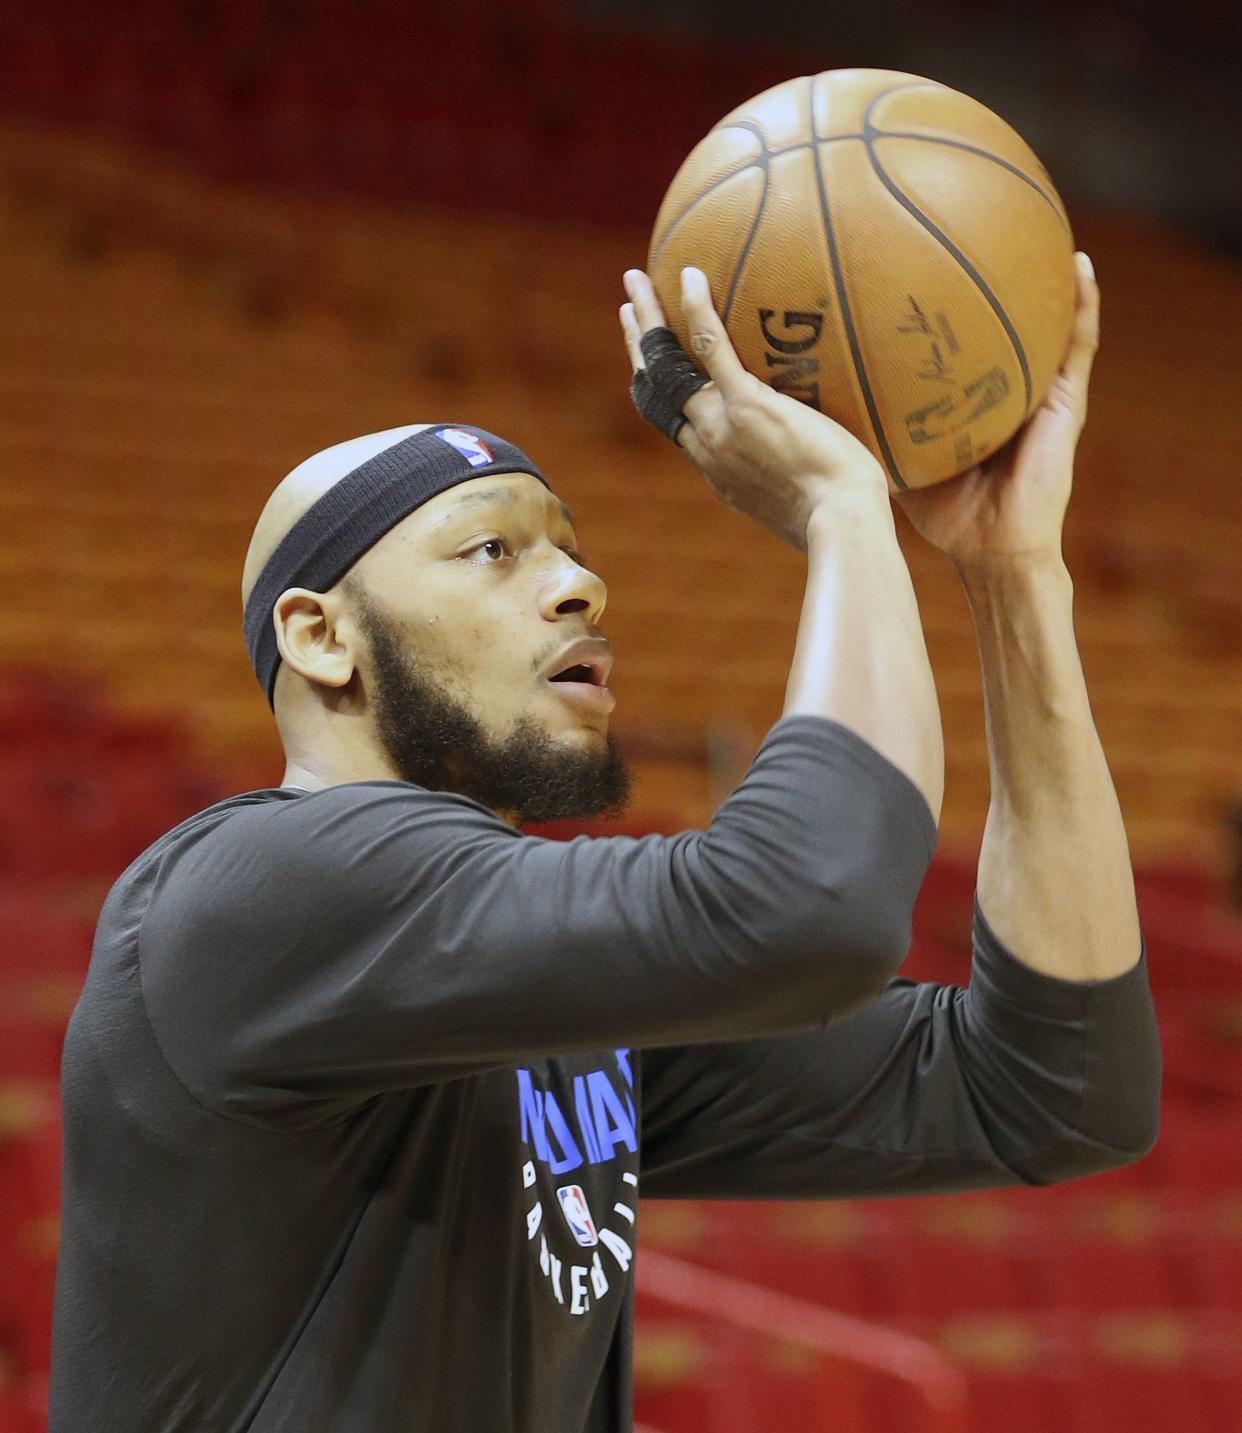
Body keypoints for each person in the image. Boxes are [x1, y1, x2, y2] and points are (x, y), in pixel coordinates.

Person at [49, 255, 1159, 1432]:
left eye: (570, 547)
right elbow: (812, 904)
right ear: (322, 635)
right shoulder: (257, 885)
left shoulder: (536, 997)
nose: (582, 584)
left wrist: (1014, 578)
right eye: (496, 550)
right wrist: (843, 511)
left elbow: (1057, 1088)